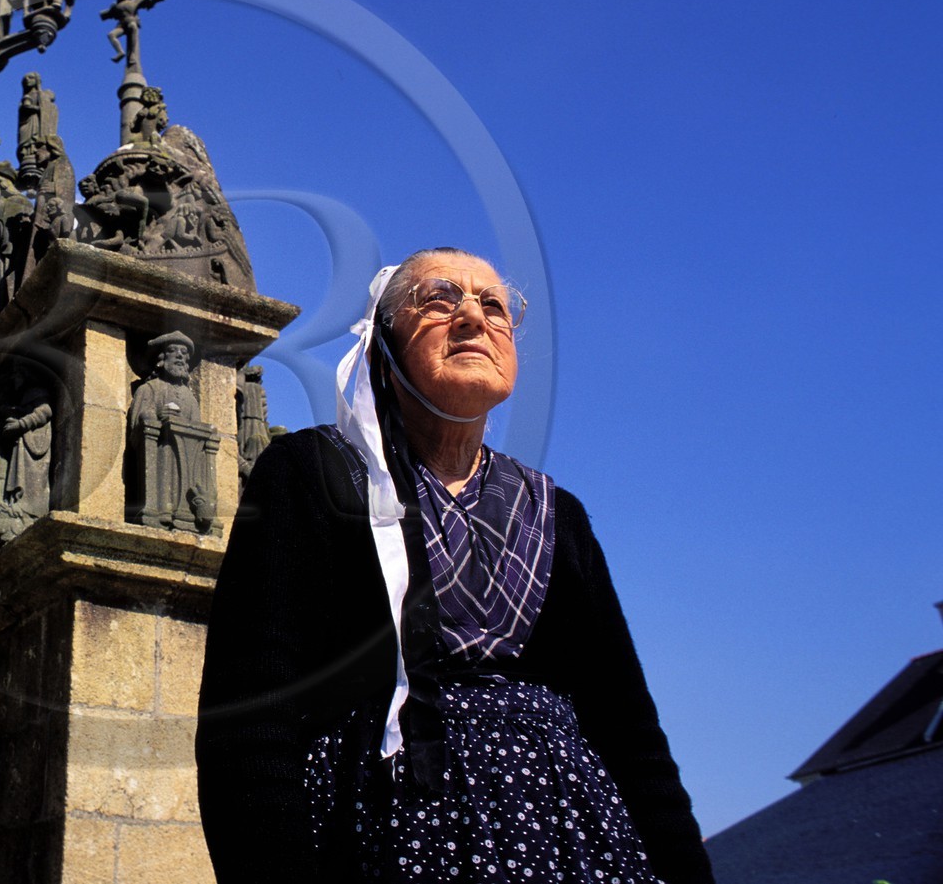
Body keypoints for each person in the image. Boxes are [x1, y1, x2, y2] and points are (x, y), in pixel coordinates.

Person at [197, 248, 713, 884]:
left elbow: (631, 735)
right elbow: (250, 713)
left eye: (494, 305)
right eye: (440, 299)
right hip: (378, 831)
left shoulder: (557, 513)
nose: (473, 317)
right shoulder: (311, 475)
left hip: (571, 836)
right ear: (383, 344)